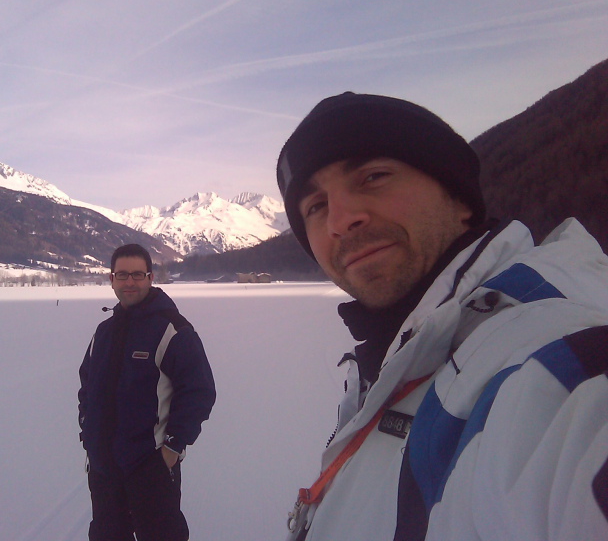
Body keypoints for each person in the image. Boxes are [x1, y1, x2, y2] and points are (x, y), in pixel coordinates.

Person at [276, 92, 608, 541]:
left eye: (373, 177)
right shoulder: (396, 361)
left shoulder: (549, 359)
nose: (340, 220)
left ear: (459, 197)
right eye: (315, 207)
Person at [78, 243, 216, 541]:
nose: (129, 282)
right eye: (122, 275)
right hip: (103, 468)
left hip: (150, 467)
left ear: (151, 278)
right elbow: (87, 386)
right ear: (111, 279)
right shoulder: (103, 332)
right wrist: (87, 430)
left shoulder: (173, 330)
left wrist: (172, 448)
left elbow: (199, 391)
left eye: (137, 275)